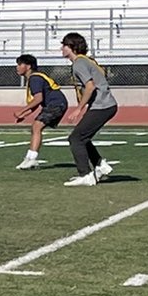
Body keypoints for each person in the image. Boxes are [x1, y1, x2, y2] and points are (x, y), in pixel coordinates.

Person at [60, 32, 117, 186]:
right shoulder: (87, 60)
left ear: (71, 47)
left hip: (102, 106)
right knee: (82, 137)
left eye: (64, 45)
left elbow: (90, 86)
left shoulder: (79, 63)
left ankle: (85, 174)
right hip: (105, 105)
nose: (61, 48)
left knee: (75, 138)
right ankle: (99, 164)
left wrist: (79, 108)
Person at [13, 54, 69, 170]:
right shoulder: (35, 78)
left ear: (28, 66)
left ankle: (31, 159)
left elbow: (38, 99)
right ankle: (29, 158)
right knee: (35, 127)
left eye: (20, 64)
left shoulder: (35, 78)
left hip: (56, 104)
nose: (17, 67)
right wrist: (24, 115)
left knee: (37, 127)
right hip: (55, 104)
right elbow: (37, 103)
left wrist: (21, 110)